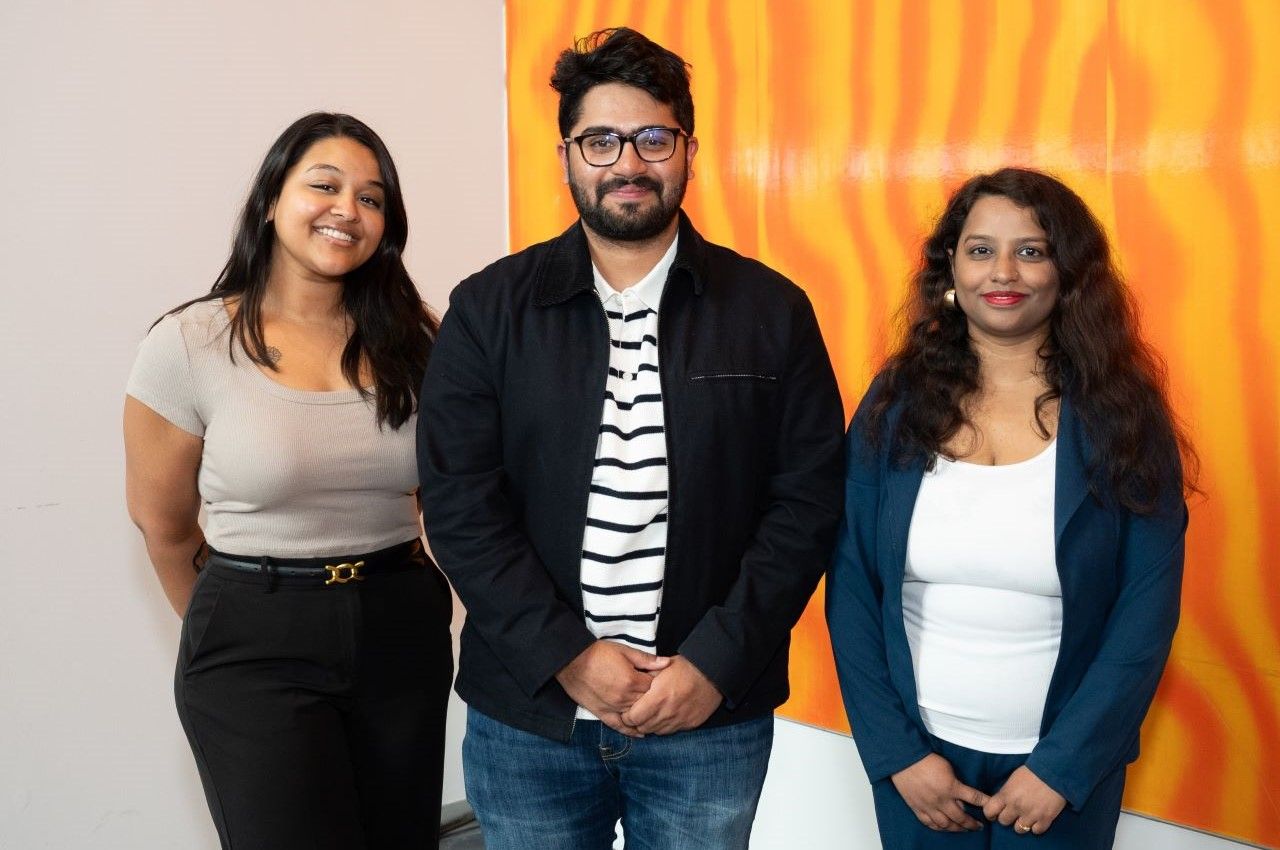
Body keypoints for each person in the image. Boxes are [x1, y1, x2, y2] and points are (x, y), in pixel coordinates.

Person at [417, 27, 844, 850]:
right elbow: (460, 504)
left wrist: (715, 663)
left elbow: (807, 503)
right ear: (566, 154)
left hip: (708, 718)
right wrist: (568, 654)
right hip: (529, 719)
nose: (628, 163)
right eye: (600, 140)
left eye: (654, 138)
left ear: (688, 150)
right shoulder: (488, 310)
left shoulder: (770, 312)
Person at [827, 167, 1195, 848]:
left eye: (1031, 250)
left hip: (1061, 776)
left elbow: (1145, 612)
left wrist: (1062, 768)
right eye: (980, 249)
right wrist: (896, 754)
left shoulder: (1124, 417)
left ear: (1068, 272)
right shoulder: (893, 401)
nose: (1004, 271)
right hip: (922, 768)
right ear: (951, 267)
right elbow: (850, 582)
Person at [124, 113, 452, 849]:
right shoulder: (190, 342)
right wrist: (239, 623)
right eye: (325, 185)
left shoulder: (417, 339)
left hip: (401, 624)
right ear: (272, 199)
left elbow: (449, 495)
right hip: (254, 636)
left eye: (372, 198)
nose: (348, 210)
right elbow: (164, 525)